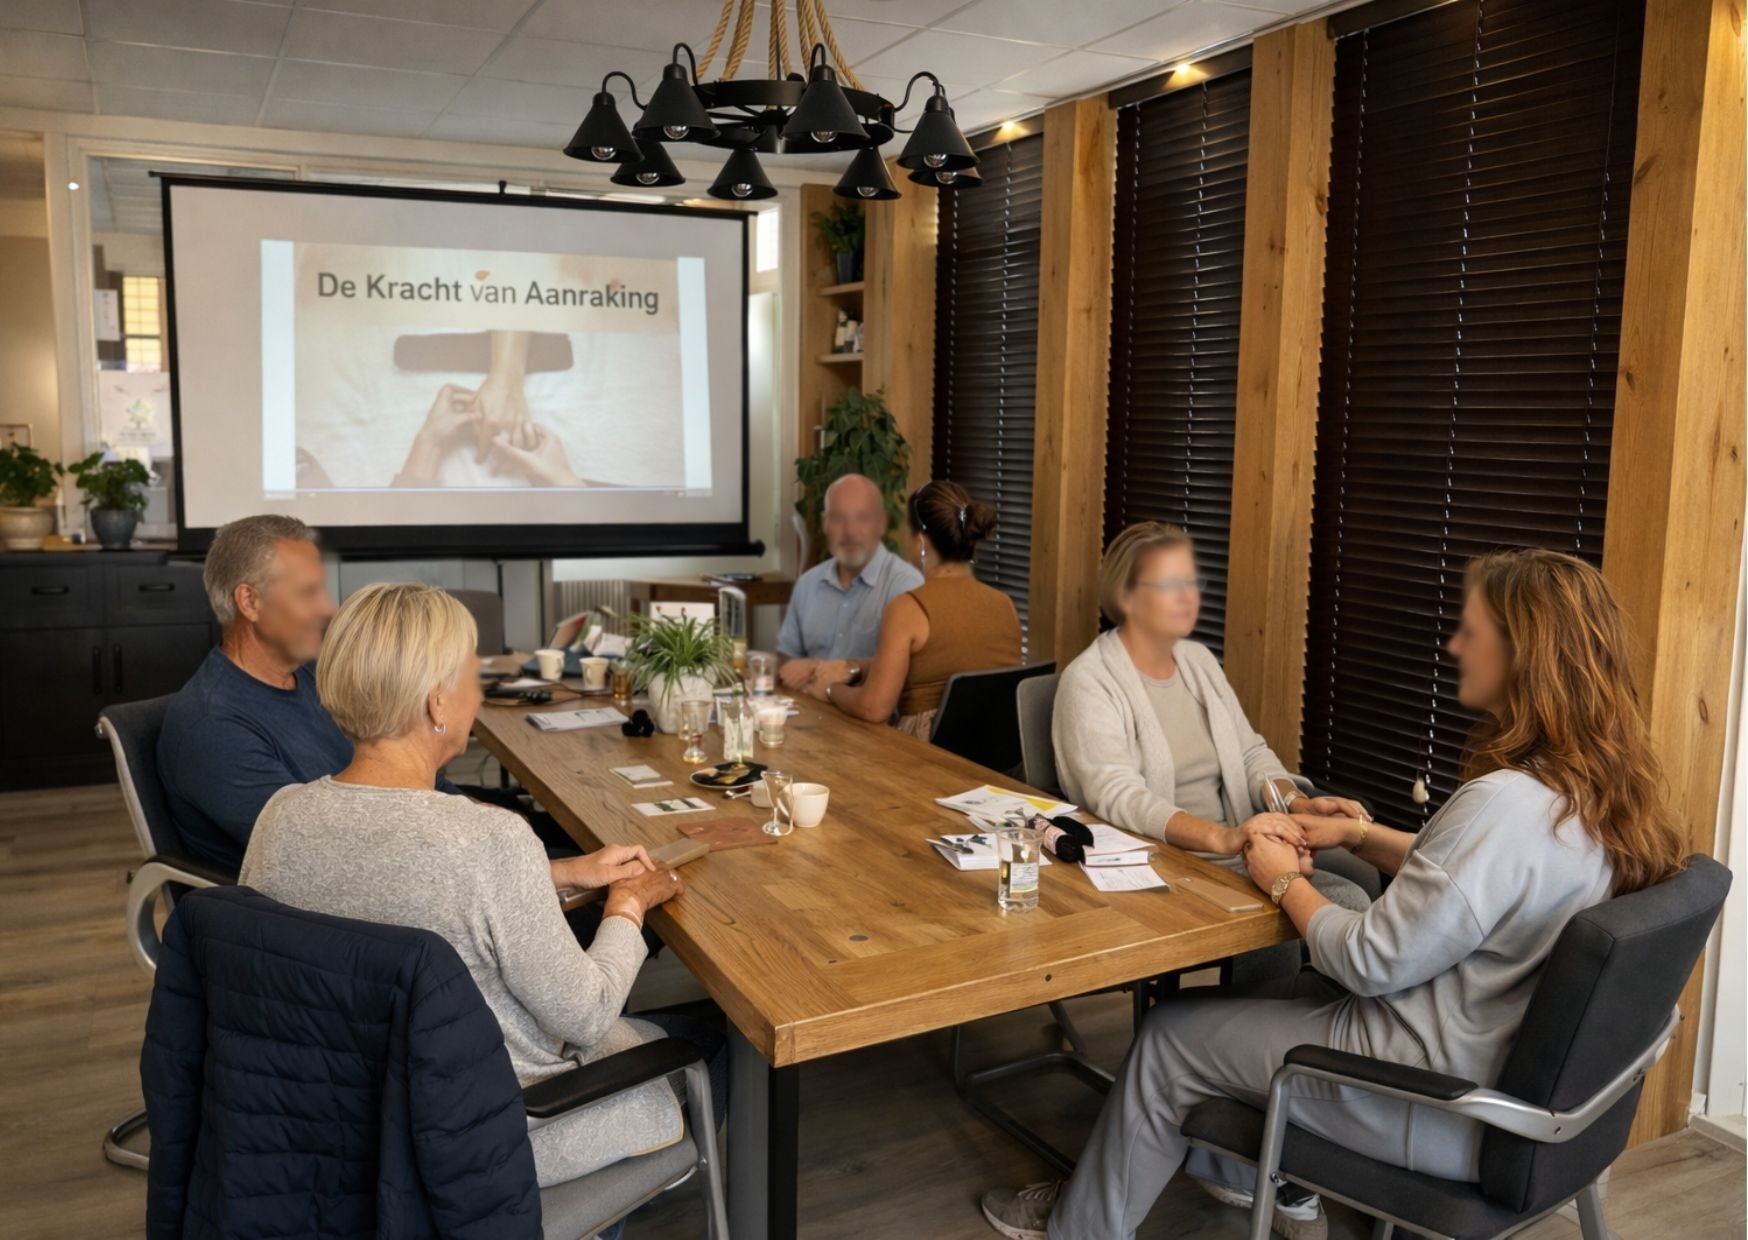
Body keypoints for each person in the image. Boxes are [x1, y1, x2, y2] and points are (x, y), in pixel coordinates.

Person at [980, 548, 1688, 1240]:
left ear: (1520, 657)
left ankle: (1082, 1226)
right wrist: (1360, 835)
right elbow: (1481, 880)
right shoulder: (1600, 797)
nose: (1453, 645)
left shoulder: (1503, 804)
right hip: (1520, 1088)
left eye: (1470, 632)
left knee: (1168, 1038)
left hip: (1432, 1095)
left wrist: (1281, 880)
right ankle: (1204, 1160)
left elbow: (1369, 964)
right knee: (1241, 1006)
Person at [239, 583, 724, 1206]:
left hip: (328, 1122)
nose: (475, 692)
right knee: (710, 1044)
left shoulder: (281, 818)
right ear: (438, 701)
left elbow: (393, 877)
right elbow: (587, 1012)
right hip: (490, 1133)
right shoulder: (487, 838)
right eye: (470, 673)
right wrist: (628, 904)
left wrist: (564, 872)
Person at [156, 514, 570, 872]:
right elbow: (335, 857)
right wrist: (533, 868)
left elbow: (411, 781)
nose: (328, 609)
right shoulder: (212, 727)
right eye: (307, 592)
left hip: (416, 848)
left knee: (555, 830)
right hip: (357, 921)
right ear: (249, 601)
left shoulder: (318, 675)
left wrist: (497, 830)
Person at [1051, 521, 1376, 920]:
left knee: (1365, 873)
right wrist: (1224, 838)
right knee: (1350, 904)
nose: (1188, 597)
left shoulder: (1198, 660)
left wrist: (1295, 803)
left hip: (1244, 843)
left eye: (1191, 582)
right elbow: (1119, 797)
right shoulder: (1089, 680)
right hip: (1167, 857)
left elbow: (1250, 753)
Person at [806, 480, 1021, 738]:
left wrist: (831, 689)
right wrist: (857, 667)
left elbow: (873, 708)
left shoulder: (908, 609)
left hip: (925, 755)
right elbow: (940, 664)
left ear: (921, 542)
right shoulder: (1005, 605)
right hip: (992, 757)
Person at [777, 473, 923, 694]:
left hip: (870, 723)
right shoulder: (808, 584)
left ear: (881, 523)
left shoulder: (906, 586)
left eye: (861, 518)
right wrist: (788, 667)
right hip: (809, 715)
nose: (850, 531)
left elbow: (914, 672)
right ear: (825, 523)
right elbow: (785, 657)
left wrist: (824, 668)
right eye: (838, 518)